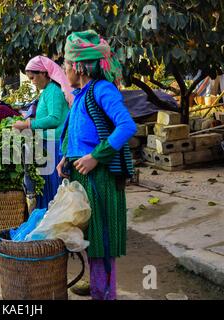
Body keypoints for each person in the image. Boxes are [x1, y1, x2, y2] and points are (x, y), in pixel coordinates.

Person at [56, 30, 137, 301]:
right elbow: (80, 133)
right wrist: (66, 157)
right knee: (92, 242)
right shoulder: (82, 94)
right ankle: (97, 289)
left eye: (66, 64)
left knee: (102, 243)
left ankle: (105, 295)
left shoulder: (102, 90)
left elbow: (127, 126)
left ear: (78, 67)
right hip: (85, 177)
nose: (64, 69)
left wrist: (95, 157)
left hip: (100, 179)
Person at [12, 55, 71, 210]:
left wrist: (27, 124)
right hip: (48, 143)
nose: (33, 82)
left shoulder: (53, 91)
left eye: (33, 78)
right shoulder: (47, 92)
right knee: (49, 190)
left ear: (44, 73)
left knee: (55, 191)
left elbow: (55, 119)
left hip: (56, 144)